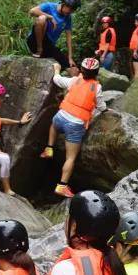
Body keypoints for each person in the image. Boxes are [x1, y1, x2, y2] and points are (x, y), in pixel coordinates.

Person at [40, 59, 104, 199]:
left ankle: (49, 148)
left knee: (54, 124)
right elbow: (101, 106)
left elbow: (57, 79)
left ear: (82, 70)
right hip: (75, 125)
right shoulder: (96, 88)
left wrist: (56, 69)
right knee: (70, 158)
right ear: (97, 73)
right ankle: (62, 186)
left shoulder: (74, 80)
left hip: (60, 117)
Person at [27, 0, 80, 68]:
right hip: (34, 40)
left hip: (48, 45)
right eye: (70, 9)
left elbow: (69, 38)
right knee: (42, 18)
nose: (70, 12)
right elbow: (32, 11)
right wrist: (50, 17)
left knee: (70, 66)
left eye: (73, 10)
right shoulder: (49, 6)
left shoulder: (68, 17)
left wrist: (70, 58)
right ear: (63, 4)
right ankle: (39, 50)